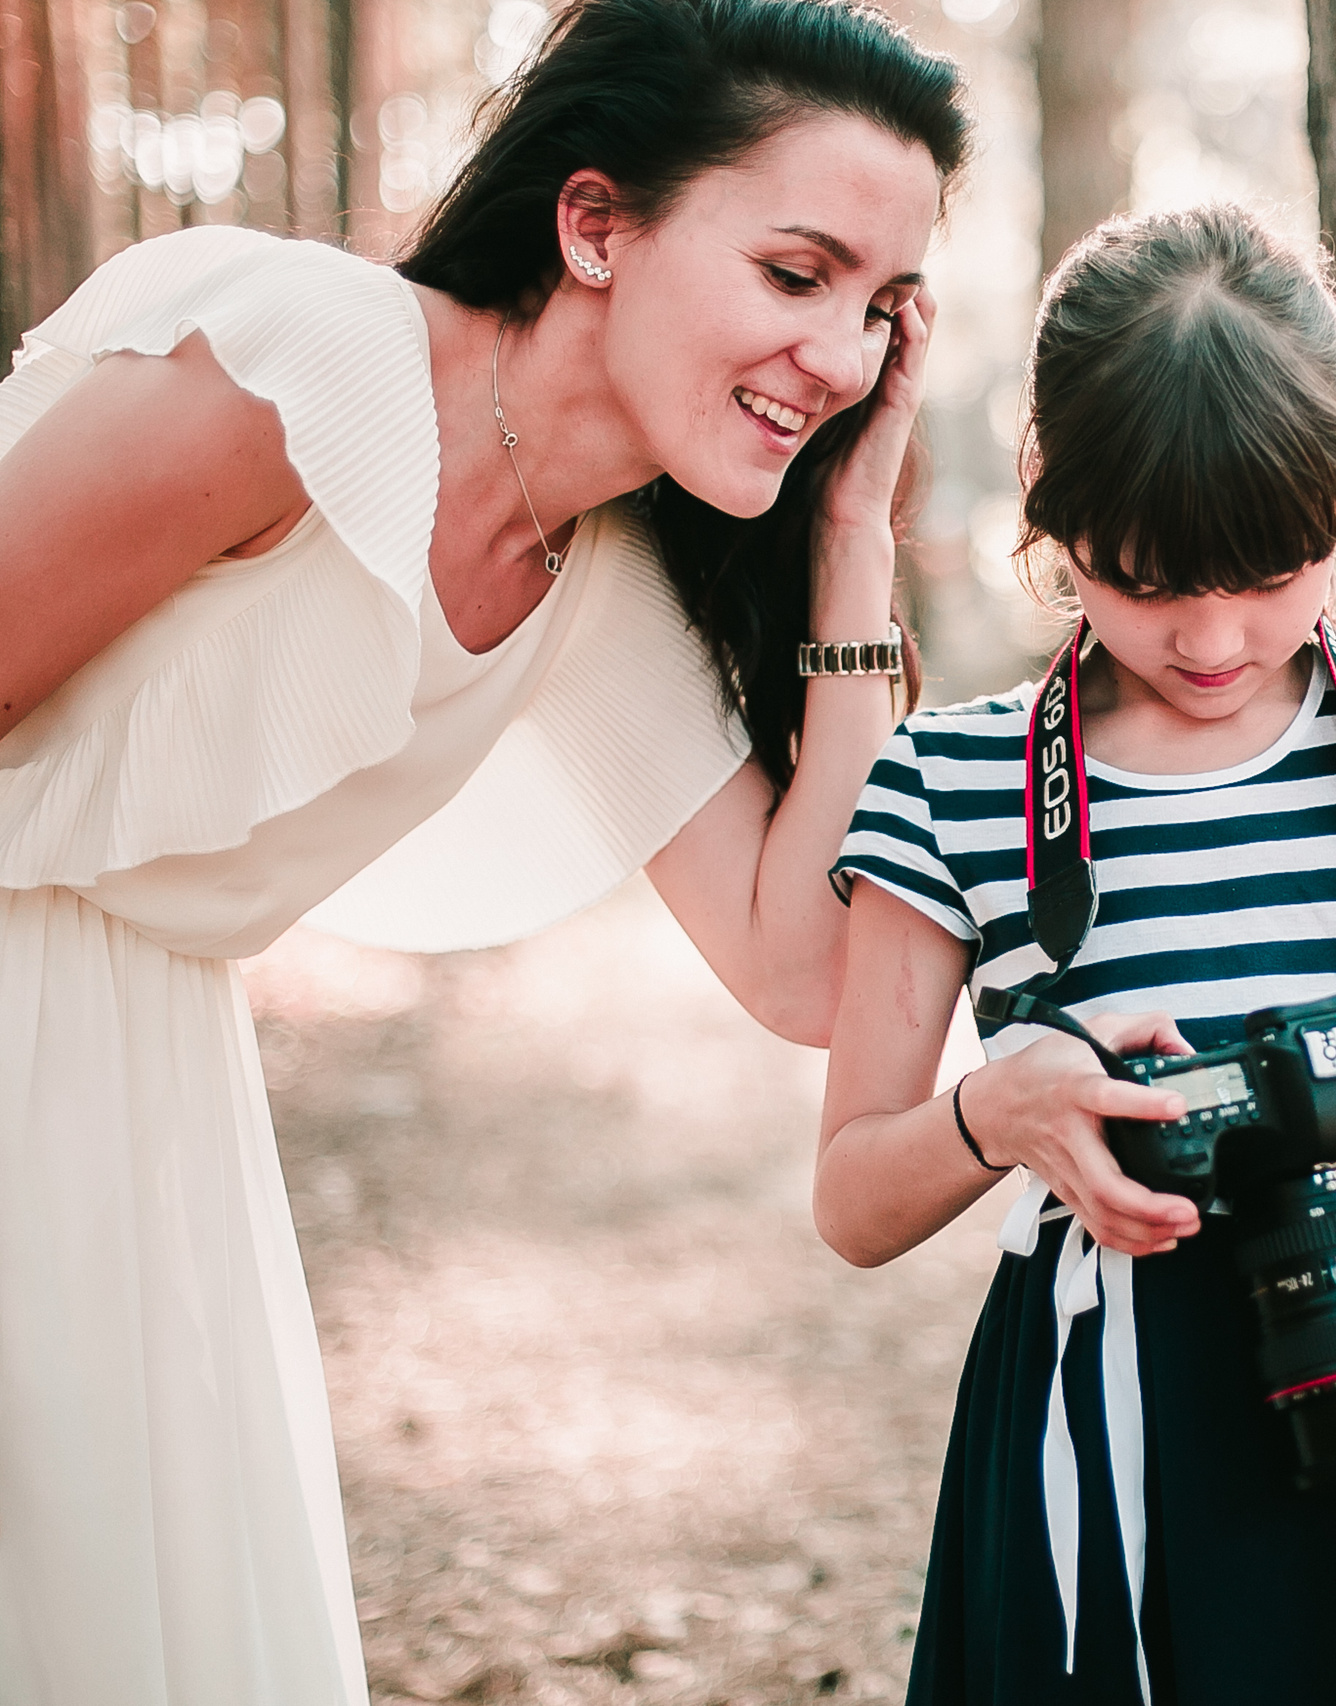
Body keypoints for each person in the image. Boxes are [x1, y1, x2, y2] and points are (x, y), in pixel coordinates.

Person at [0, 1, 969, 1699]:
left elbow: (807, 972)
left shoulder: (592, 580)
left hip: (137, 1097)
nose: (840, 356)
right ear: (595, 225)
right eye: (797, 274)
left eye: (882, 309)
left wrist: (852, 540)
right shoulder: (301, 361)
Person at [816, 205, 1336, 1705]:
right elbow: (853, 1201)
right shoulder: (949, 786)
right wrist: (1001, 1111)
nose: (1212, 639)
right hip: (1101, 1414)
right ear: (1054, 516)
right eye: (1146, 580)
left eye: (1269, 573)